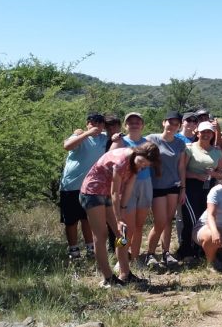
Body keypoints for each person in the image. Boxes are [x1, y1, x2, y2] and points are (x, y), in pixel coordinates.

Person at [80, 142, 160, 287]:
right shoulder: (122, 161)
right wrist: (118, 218)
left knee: (121, 234)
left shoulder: (136, 164)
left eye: (146, 166)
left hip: (108, 196)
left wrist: (122, 212)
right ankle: (108, 278)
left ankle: (125, 274)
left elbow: (128, 188)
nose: (142, 166)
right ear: (137, 153)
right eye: (141, 162)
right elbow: (115, 192)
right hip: (93, 192)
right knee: (101, 234)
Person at [59, 113, 108, 260]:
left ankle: (90, 248)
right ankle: (74, 252)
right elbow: (67, 146)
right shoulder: (79, 137)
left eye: (100, 123)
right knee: (71, 220)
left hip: (91, 188)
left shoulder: (104, 138)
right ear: (87, 123)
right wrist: (86, 134)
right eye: (93, 122)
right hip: (71, 185)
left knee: (87, 219)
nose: (97, 125)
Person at [144, 111, 187, 270]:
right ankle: (149, 253)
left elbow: (181, 167)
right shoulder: (151, 139)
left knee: (168, 221)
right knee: (160, 221)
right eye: (170, 122)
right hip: (157, 186)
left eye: (176, 124)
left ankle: (166, 252)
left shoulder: (179, 143)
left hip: (174, 186)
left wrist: (183, 188)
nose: (173, 126)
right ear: (164, 122)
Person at [109, 112, 154, 267]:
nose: (134, 124)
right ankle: (120, 261)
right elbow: (110, 160)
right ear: (125, 125)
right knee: (125, 227)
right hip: (125, 186)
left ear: (142, 125)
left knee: (139, 226)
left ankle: (135, 258)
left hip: (145, 184)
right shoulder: (120, 141)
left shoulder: (147, 143)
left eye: (137, 122)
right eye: (131, 122)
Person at [178, 122, 222, 260]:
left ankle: (201, 248)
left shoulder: (217, 151)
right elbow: (181, 171)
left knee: (205, 219)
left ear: (212, 134)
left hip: (209, 188)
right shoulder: (189, 149)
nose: (206, 135)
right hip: (191, 187)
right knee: (191, 219)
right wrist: (196, 176)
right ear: (197, 133)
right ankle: (186, 250)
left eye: (209, 132)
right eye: (203, 132)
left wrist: (215, 174)